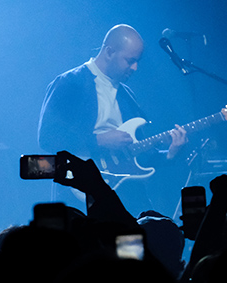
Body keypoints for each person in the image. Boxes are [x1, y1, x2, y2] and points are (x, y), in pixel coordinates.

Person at [37, 24, 187, 213]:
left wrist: (169, 154)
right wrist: (100, 140)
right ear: (109, 52)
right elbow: (47, 137)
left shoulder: (127, 96)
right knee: (85, 242)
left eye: (137, 61)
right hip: (79, 193)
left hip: (126, 197)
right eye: (130, 60)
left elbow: (138, 152)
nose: (135, 68)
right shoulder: (70, 83)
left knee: (135, 242)